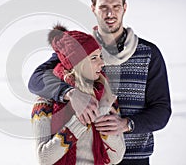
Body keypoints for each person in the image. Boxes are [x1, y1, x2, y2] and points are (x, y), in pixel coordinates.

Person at [28, 0, 172, 164]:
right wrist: (71, 94)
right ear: (93, 9)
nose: (110, 13)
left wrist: (126, 124)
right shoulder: (79, 49)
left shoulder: (148, 54)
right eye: (103, 7)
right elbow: (36, 79)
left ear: (124, 8)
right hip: (90, 158)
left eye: (116, 6)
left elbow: (161, 111)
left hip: (134, 158)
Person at [31, 25, 126, 164]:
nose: (102, 63)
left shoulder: (106, 97)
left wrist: (101, 118)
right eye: (94, 58)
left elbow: (116, 157)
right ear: (77, 63)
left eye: (100, 56)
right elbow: (44, 159)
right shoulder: (45, 102)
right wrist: (79, 122)